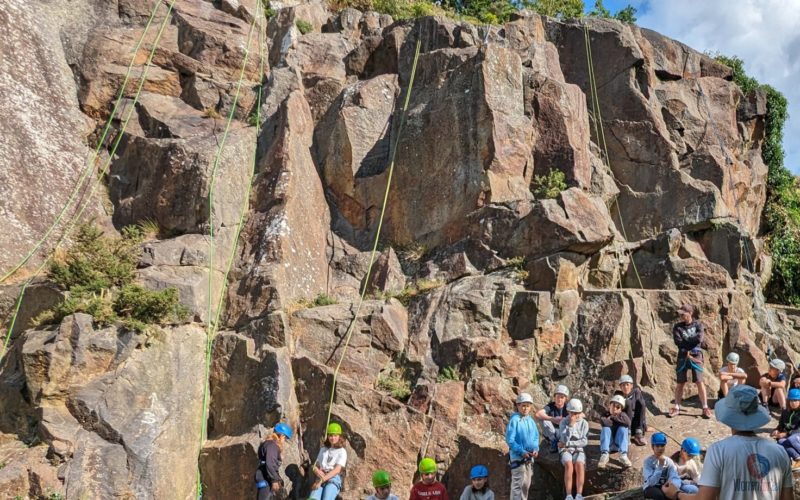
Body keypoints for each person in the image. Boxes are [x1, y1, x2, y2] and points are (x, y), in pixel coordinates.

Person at [662, 385, 794, 499]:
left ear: (730, 415)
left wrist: (677, 494)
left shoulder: (718, 451)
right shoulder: (780, 452)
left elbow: (704, 498)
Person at [669, 304, 711, 419]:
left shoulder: (698, 325)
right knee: (680, 382)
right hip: (682, 355)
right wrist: (689, 343)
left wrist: (686, 341)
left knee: (699, 380)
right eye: (680, 314)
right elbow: (678, 342)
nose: (682, 316)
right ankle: (677, 407)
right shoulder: (677, 327)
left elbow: (699, 339)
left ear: (690, 313)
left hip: (696, 355)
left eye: (684, 314)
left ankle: (705, 407)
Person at [505, 392, 540, 500]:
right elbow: (510, 440)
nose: (525, 408)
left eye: (528, 406)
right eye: (523, 405)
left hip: (529, 457)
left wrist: (535, 449)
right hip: (518, 457)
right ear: (518, 406)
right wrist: (521, 451)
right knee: (518, 485)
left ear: (530, 407)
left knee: (526, 484)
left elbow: (535, 437)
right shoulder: (514, 420)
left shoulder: (531, 421)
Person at [558, 398, 588, 500]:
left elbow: (584, 441)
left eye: (578, 413)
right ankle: (569, 495)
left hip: (577, 449)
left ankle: (579, 494)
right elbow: (563, 438)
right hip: (565, 450)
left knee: (579, 464)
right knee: (569, 465)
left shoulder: (584, 423)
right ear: (568, 412)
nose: (575, 416)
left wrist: (568, 444)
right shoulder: (564, 422)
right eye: (573, 413)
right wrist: (570, 425)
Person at [309, 422, 347, 500]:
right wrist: (316, 470)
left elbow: (337, 470)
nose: (333, 438)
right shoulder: (323, 449)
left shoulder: (342, 451)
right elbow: (316, 465)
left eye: (335, 435)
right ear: (328, 436)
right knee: (313, 498)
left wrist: (321, 481)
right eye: (330, 435)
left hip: (333, 478)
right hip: (320, 477)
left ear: (340, 436)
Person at [255, 422, 292, 500]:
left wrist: (278, 479)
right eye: (285, 438)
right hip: (266, 478)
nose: (284, 441)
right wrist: (274, 480)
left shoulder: (269, 444)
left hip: (265, 476)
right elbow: (270, 463)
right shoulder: (272, 445)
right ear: (282, 435)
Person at [642, 432, 682, 499]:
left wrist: (672, 484)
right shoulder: (648, 461)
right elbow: (651, 482)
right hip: (650, 487)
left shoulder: (669, 461)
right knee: (659, 495)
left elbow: (675, 477)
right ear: (652, 447)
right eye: (657, 446)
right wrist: (660, 466)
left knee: (675, 494)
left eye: (662, 445)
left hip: (664, 486)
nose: (660, 448)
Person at [597, 394, 632, 469]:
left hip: (618, 445)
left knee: (623, 428)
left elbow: (628, 423)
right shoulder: (605, 414)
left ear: (621, 409)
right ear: (609, 405)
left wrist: (612, 418)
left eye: (618, 407)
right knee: (605, 428)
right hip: (609, 444)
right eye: (613, 405)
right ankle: (604, 454)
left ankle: (623, 455)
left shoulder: (623, 415)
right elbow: (604, 422)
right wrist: (619, 421)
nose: (615, 408)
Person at [771, 388, 800, 471]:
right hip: (792, 436)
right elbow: (781, 425)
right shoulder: (785, 411)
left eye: (796, 400)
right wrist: (777, 430)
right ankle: (797, 458)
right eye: (791, 400)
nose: (793, 403)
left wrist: (786, 434)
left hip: (796, 436)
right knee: (780, 442)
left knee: (792, 438)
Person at [535, 385, 570, 453]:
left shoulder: (568, 407)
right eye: (557, 397)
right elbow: (538, 414)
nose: (559, 399)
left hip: (563, 432)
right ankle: (554, 441)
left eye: (562, 397)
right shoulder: (550, 406)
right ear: (554, 397)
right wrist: (553, 419)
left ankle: (562, 442)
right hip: (552, 432)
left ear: (565, 398)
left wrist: (564, 420)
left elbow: (581, 415)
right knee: (542, 418)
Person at [616, 374, 648, 446]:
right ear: (620, 387)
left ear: (631, 386)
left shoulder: (636, 392)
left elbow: (641, 409)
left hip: (636, 424)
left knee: (642, 403)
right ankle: (627, 434)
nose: (625, 387)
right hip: (624, 423)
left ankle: (638, 434)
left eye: (627, 384)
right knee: (628, 403)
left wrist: (644, 425)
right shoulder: (618, 396)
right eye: (623, 385)